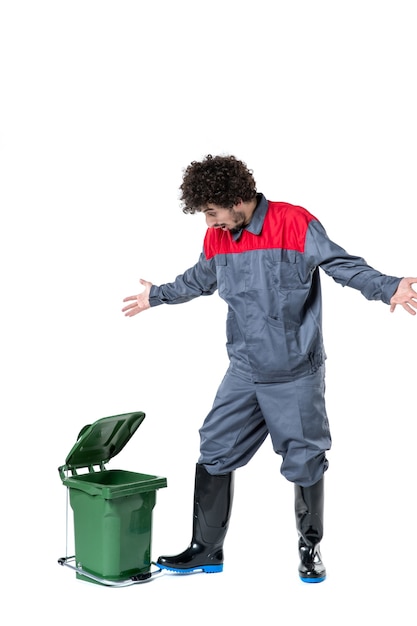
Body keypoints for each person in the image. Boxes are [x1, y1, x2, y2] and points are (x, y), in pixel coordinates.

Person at [122, 154, 417, 583]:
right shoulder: (220, 238)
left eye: (211, 212)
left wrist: (389, 286)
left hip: (295, 370)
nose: (209, 223)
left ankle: (310, 547)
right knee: (215, 448)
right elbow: (200, 279)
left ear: (235, 198)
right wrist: (158, 295)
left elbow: (341, 265)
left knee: (305, 460)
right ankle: (206, 550)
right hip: (244, 371)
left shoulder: (294, 223)